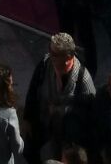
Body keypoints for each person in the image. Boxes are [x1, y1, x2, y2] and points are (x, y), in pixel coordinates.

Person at [23, 31, 95, 163]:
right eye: (50, 50)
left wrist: (63, 110)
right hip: (43, 120)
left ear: (68, 58)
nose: (50, 54)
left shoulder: (83, 80)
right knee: (29, 152)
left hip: (66, 133)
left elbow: (89, 113)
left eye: (54, 54)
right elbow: (33, 91)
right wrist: (28, 117)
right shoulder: (45, 64)